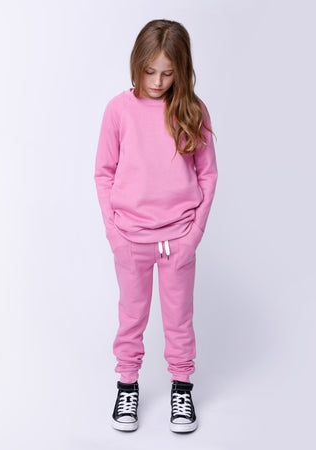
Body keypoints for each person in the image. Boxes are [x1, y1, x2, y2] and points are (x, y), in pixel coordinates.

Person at [94, 18, 218, 433]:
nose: (158, 81)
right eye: (150, 71)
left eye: (167, 73)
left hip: (178, 237)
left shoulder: (192, 110)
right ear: (137, 64)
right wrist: (114, 233)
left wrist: (194, 234)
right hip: (131, 238)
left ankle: (181, 387)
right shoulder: (118, 110)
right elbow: (104, 172)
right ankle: (127, 385)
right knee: (132, 316)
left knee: (179, 318)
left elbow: (207, 174)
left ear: (181, 71)